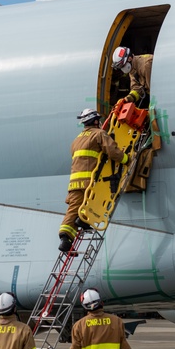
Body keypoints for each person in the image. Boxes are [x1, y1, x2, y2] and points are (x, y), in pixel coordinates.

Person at [58, 108, 128, 252]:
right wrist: (127, 159)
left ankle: (65, 239)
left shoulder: (76, 140)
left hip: (74, 182)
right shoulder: (99, 134)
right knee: (95, 200)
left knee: (73, 209)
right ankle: (84, 220)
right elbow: (112, 151)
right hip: (90, 181)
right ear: (95, 121)